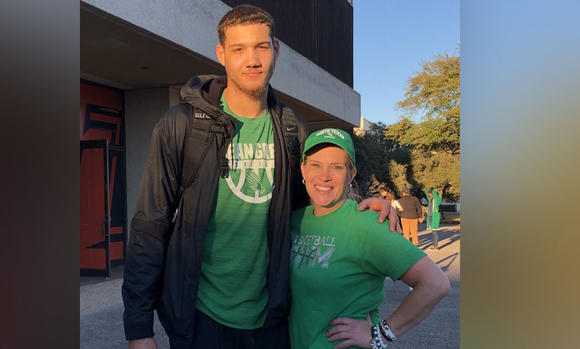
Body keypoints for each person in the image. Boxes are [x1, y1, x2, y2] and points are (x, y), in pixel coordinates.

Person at [121, 5, 398, 349]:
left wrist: (359, 203)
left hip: (272, 319)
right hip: (202, 319)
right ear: (221, 54)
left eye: (261, 47)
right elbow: (150, 224)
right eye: (238, 49)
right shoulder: (182, 125)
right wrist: (139, 330)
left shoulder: (292, 129)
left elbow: (312, 207)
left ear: (275, 50)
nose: (251, 59)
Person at [289, 129, 450, 349]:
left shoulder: (368, 225)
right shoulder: (292, 221)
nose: (324, 175)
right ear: (303, 170)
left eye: (336, 167)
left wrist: (381, 334)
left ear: (351, 173)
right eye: (315, 165)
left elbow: (435, 284)